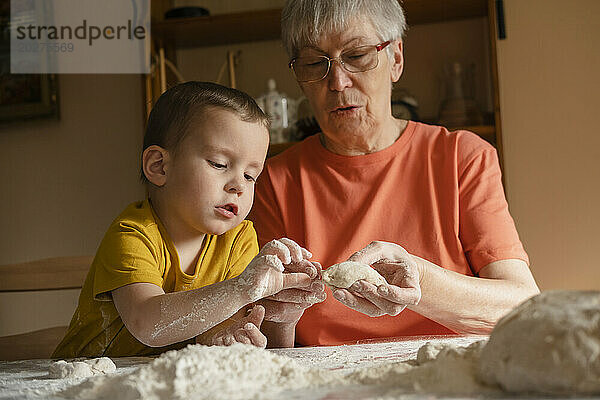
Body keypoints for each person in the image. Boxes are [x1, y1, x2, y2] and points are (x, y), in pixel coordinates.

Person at [249, 0, 540, 347]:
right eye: (315, 64)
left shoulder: (461, 157)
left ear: (396, 59)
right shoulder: (275, 181)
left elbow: (523, 304)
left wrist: (418, 281)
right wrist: (279, 312)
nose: (338, 82)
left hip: (447, 372)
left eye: (357, 56)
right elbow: (272, 343)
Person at [53, 81, 321, 358]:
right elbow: (146, 322)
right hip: (83, 379)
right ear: (159, 166)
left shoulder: (239, 239)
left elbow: (220, 326)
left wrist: (245, 330)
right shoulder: (132, 234)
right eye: (219, 164)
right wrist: (242, 288)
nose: (239, 186)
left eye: (250, 176)